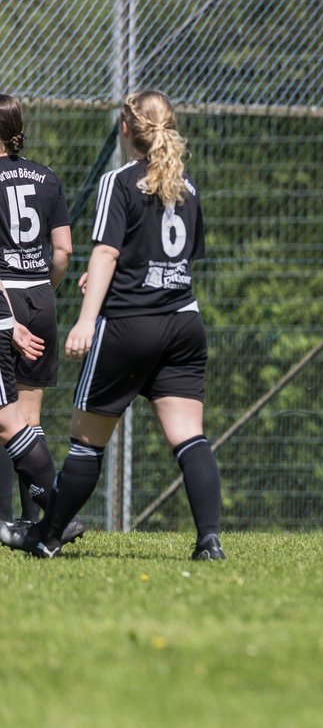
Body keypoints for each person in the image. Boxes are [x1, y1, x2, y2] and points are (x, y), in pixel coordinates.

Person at [0, 89, 224, 561]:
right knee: (189, 436)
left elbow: (105, 251)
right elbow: (173, 259)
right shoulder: (187, 187)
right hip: (184, 322)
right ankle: (209, 542)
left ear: (126, 128)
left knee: (85, 441)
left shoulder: (119, 182)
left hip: (130, 325)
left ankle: (47, 535)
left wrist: (85, 320)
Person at [0, 95, 85, 542]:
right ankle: (39, 522)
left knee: (2, 414)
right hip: (39, 295)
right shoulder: (46, 177)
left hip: (3, 296)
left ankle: (9, 521)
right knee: (29, 417)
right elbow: (65, 251)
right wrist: (43, 293)